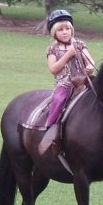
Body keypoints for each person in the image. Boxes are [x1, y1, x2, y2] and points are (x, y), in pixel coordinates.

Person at [38, 9, 96, 155]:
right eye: (61, 30)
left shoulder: (79, 44)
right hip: (65, 84)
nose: (65, 32)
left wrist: (89, 67)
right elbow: (53, 69)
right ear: (54, 33)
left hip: (83, 82)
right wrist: (68, 55)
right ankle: (51, 130)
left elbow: (90, 61)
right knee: (58, 99)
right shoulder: (53, 49)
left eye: (68, 29)